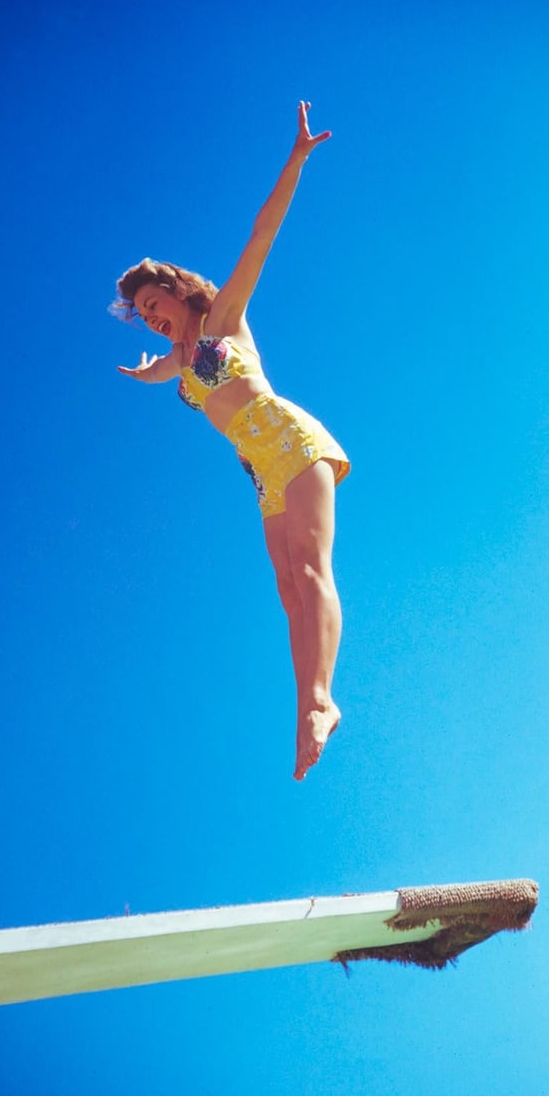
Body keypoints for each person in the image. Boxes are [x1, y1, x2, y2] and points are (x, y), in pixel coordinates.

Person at [112, 102, 350, 781]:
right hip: (260, 471)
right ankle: (306, 706)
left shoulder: (223, 318)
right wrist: (147, 372)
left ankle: (322, 699)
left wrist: (296, 159)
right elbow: (167, 372)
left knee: (312, 569)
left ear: (177, 290)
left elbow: (261, 233)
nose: (152, 320)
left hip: (290, 439)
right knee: (288, 590)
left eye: (155, 305)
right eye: (143, 317)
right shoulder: (179, 360)